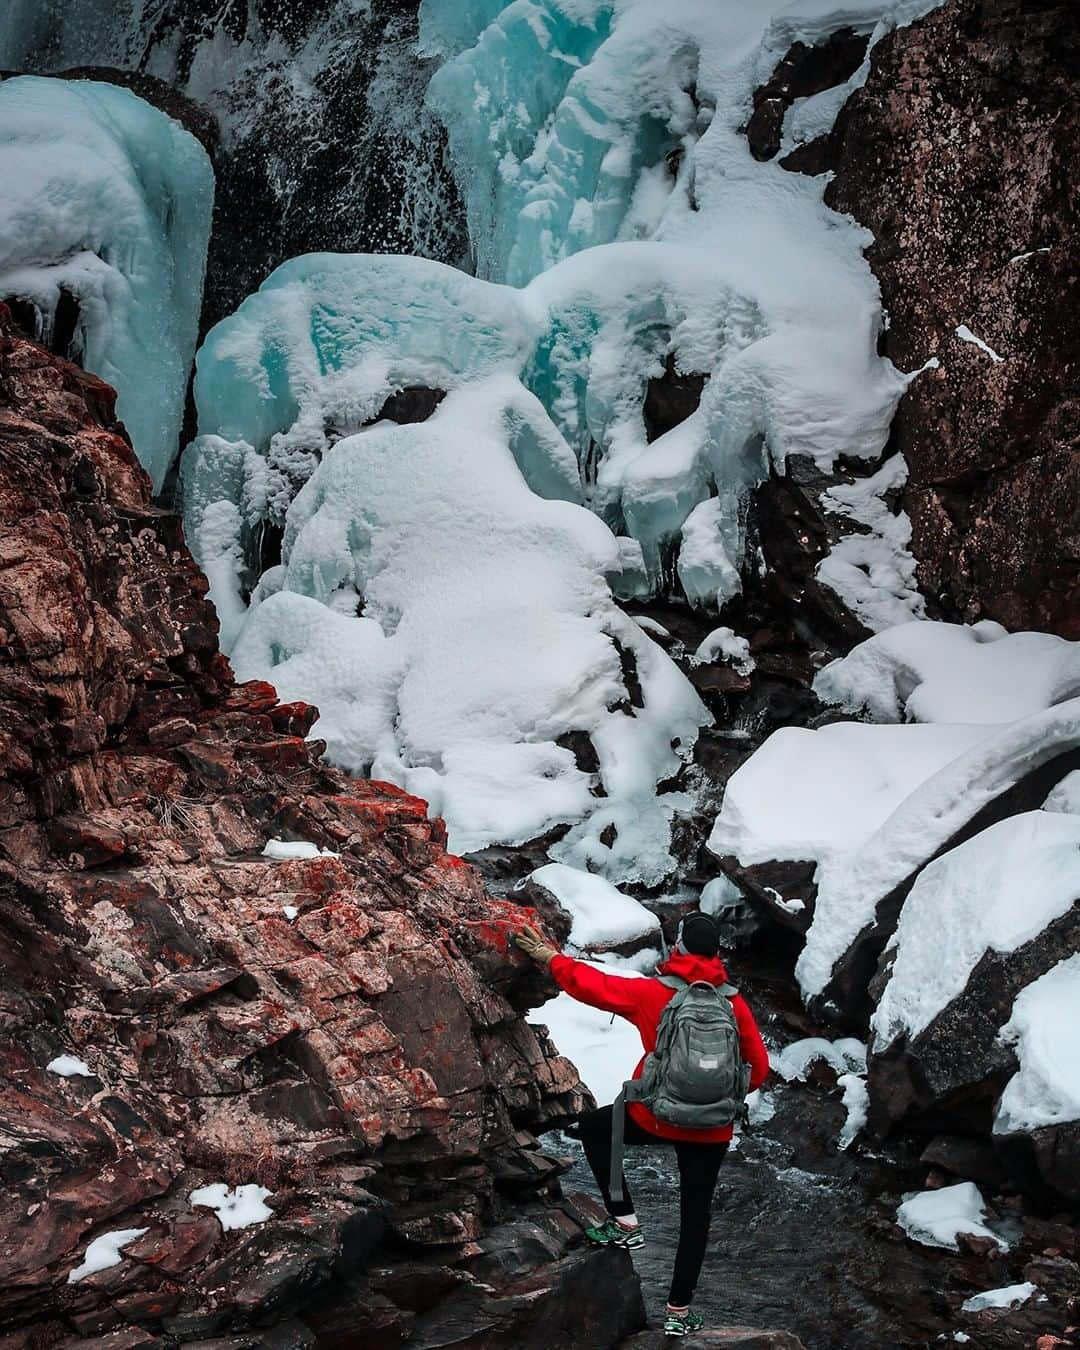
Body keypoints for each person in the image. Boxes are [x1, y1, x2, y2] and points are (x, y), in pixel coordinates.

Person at [515, 910, 769, 1339]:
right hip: (712, 1131)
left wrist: (549, 958)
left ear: (679, 948)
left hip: (655, 1117)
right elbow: (759, 1071)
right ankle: (679, 1312)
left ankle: (625, 1220)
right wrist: (712, 1098)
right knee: (695, 1217)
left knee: (597, 1128)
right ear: (716, 953)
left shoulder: (653, 995)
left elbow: (593, 986)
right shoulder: (734, 1004)